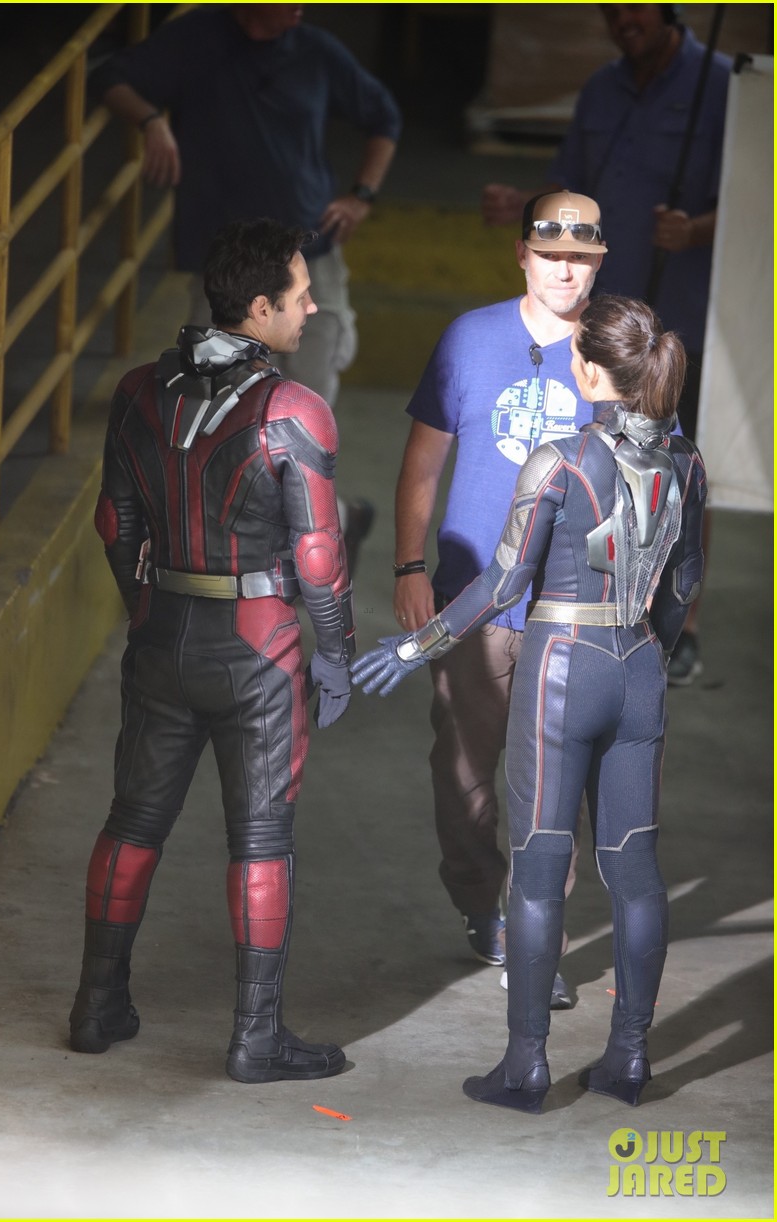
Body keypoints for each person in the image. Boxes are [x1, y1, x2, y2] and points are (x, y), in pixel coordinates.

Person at [353, 294, 707, 1113]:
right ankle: (628, 1061)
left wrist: (415, 645)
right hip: (638, 667)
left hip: (561, 663)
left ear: (587, 370)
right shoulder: (685, 463)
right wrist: (644, 650)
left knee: (538, 873)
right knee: (635, 875)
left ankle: (525, 1067)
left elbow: (502, 583)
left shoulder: (560, 459)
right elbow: (683, 585)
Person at [69, 218, 356, 1085]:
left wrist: (148, 608)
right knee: (260, 839)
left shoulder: (137, 391)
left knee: (132, 823)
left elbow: (114, 521)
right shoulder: (293, 410)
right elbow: (318, 556)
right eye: (300, 295)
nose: (311, 308)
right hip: (257, 647)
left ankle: (96, 1007)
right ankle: (255, 1038)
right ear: (259, 308)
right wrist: (336, 651)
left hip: (163, 630)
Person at [91, 2, 402, 569]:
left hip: (309, 264)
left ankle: (314, 544)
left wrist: (363, 195)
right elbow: (109, 76)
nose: (300, 8)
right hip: (226, 271)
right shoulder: (195, 38)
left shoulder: (316, 50)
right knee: (215, 415)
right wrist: (152, 121)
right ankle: (291, 538)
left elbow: (385, 117)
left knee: (302, 416)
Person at [393, 190, 607, 999]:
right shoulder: (469, 338)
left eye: (581, 258)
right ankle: (480, 900)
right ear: (521, 254)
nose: (566, 271)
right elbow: (422, 464)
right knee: (462, 778)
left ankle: (534, 937)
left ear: (599, 262)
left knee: (554, 787)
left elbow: (653, 478)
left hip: (573, 610)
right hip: (472, 601)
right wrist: (408, 568)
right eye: (552, 255)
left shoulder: (617, 348)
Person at [481, 3, 730, 684]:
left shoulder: (719, 85)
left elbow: (754, 195)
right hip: (602, 319)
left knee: (676, 464)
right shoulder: (601, 86)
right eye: (610, 8)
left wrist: (696, 230)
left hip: (677, 318)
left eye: (635, 6)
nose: (622, 18)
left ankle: (681, 623)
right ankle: (598, 599)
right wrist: (524, 203)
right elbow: (572, 182)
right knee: (595, 455)